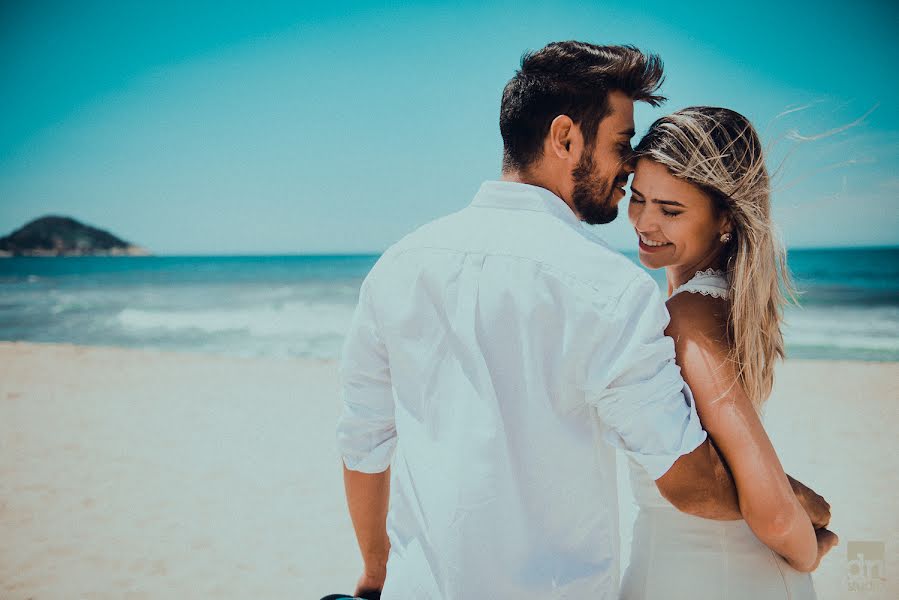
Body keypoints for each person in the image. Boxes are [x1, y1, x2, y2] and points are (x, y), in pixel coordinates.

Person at [333, 42, 821, 599]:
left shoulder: (398, 265)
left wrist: (376, 573)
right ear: (565, 138)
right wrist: (794, 504)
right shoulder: (607, 289)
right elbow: (685, 478)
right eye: (620, 144)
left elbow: (362, 442)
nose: (627, 168)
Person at [619, 106, 839, 599]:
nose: (644, 221)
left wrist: (809, 554)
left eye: (670, 210)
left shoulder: (690, 316)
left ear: (725, 219)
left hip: (711, 579)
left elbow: (773, 511)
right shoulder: (719, 302)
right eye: (638, 199)